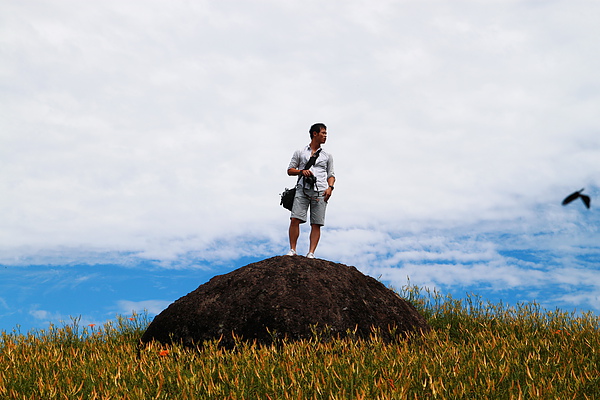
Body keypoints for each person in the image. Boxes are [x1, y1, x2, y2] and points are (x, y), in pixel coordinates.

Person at [286, 123, 335, 259]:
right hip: (303, 189)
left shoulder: (327, 155)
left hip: (320, 190)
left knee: (316, 223)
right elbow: (290, 170)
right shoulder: (300, 152)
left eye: (326, 134)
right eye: (323, 133)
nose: (325, 136)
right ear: (315, 134)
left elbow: (331, 175)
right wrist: (302, 171)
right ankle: (292, 249)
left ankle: (311, 253)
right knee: (295, 218)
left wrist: (330, 188)